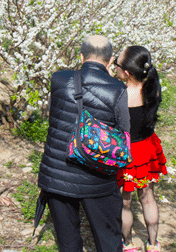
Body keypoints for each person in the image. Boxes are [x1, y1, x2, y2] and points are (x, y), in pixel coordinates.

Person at [37, 35, 130, 252]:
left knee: (68, 241)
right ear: (110, 61)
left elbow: (54, 115)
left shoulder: (58, 79)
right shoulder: (118, 90)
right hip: (97, 178)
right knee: (108, 238)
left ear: (81, 56)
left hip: (57, 174)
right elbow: (124, 131)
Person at [113, 46, 167, 252]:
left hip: (126, 152)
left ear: (127, 73)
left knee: (125, 202)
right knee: (148, 198)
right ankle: (153, 244)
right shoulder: (153, 87)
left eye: (117, 63)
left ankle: (127, 244)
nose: (115, 66)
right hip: (147, 148)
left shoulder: (120, 94)